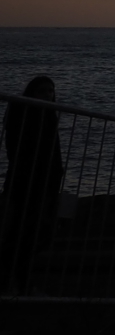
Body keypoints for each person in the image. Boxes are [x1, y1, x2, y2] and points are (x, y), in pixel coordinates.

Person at [1, 77, 64, 295]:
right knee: (23, 232)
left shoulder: (48, 114)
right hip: (26, 180)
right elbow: (16, 149)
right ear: (32, 92)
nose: (48, 95)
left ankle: (17, 279)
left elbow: (54, 151)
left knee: (36, 232)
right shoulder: (24, 112)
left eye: (50, 91)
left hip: (44, 181)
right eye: (43, 91)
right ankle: (17, 280)